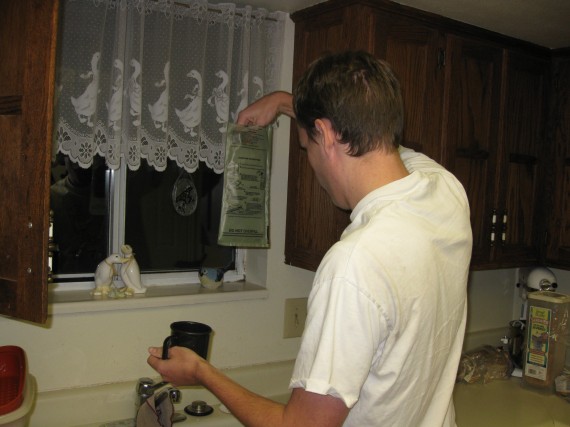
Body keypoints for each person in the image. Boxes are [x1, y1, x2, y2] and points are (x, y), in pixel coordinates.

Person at [147, 50, 472, 426]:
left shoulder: (355, 263)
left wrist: (202, 372)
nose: (312, 162)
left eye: (307, 147)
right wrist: (285, 103)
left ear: (328, 134)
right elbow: (382, 139)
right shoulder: (447, 192)